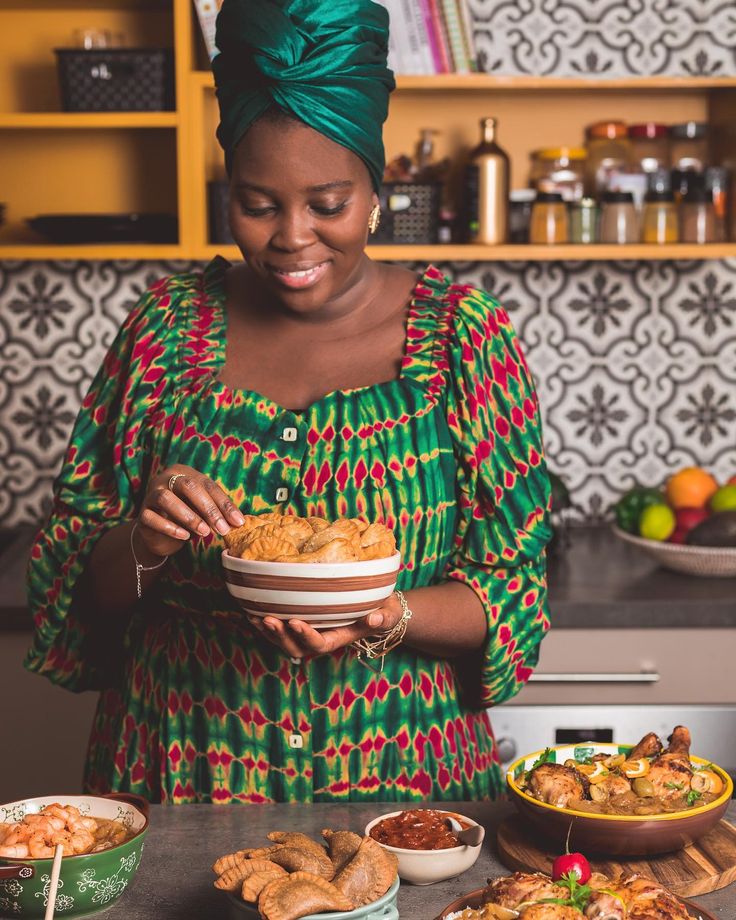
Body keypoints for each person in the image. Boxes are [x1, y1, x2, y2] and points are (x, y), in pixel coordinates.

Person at [25, 0, 552, 804]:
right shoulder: (163, 333)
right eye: (258, 203)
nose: (292, 238)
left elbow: (514, 588)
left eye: (328, 204)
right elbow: (68, 580)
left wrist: (385, 615)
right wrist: (145, 540)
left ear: (377, 191)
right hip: (180, 771)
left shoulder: (464, 344)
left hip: (406, 786)